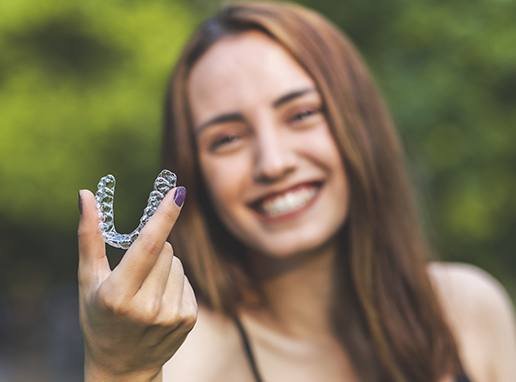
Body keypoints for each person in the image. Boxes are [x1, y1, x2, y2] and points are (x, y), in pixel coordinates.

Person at [77, 2, 516, 381]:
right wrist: (118, 372)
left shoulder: (469, 310)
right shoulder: (180, 357)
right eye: (227, 139)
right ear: (194, 171)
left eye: (302, 113)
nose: (273, 162)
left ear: (360, 123)